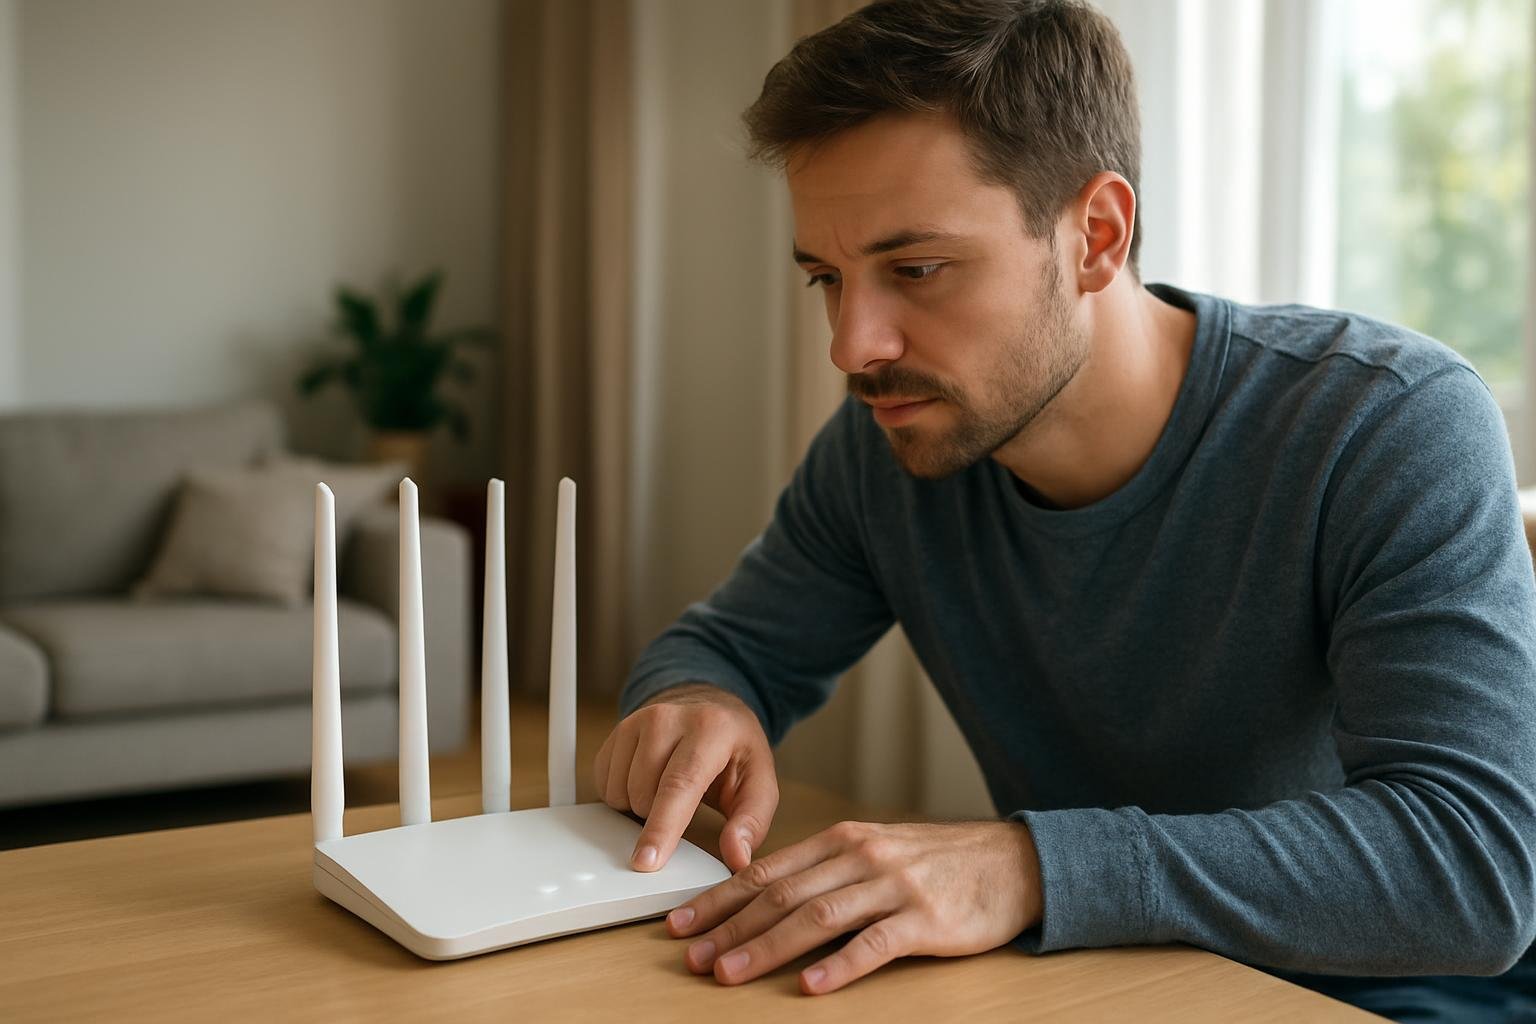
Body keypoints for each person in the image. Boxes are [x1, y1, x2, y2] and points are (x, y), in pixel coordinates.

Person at [591, 0, 1536, 1016]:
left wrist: (1029, 867)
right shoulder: (892, 450)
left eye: (916, 269)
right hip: (1109, 986)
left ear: (1096, 234)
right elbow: (729, 647)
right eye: (829, 277)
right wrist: (696, 701)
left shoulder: (1384, 422)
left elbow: (1474, 866)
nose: (852, 346)